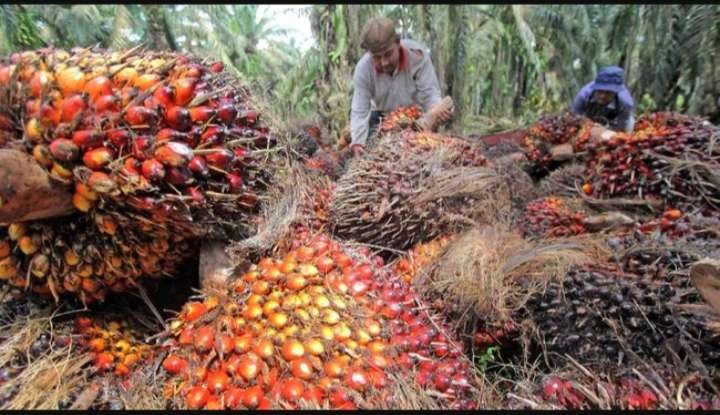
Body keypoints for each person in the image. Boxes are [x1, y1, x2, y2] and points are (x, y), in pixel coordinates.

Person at [349, 16, 454, 157]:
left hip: (416, 119)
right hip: (382, 120)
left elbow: (430, 94)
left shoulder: (417, 56)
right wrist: (357, 143)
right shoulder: (363, 69)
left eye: (388, 54)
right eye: (377, 57)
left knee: (425, 155)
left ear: (398, 43)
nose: (384, 62)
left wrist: (436, 114)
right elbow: (360, 110)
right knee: (375, 155)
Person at [571, 66, 635, 133]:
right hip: (589, 119)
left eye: (608, 92)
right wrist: (589, 124)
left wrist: (606, 133)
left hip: (612, 122)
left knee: (630, 123)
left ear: (616, 92)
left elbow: (621, 129)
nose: (603, 96)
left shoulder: (625, 102)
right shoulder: (583, 95)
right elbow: (574, 116)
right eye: (600, 91)